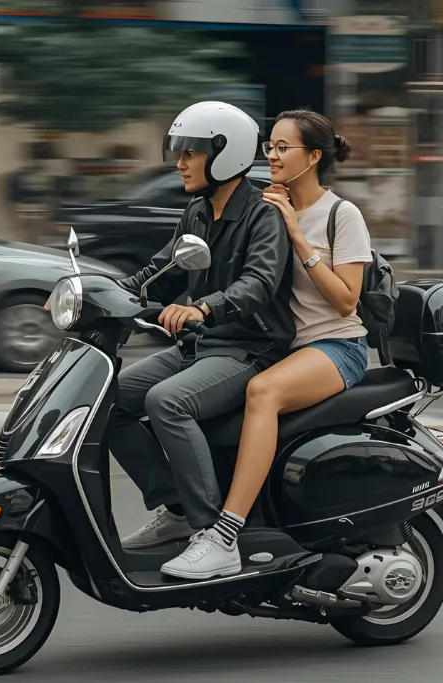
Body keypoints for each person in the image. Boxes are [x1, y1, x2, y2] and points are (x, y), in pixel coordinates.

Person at [159, 108, 372, 580]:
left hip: (336, 346)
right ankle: (187, 513)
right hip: (289, 346)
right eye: (268, 147)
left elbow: (346, 301)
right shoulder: (266, 206)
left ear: (314, 156)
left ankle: (223, 534)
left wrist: (299, 236)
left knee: (262, 393)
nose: (271, 156)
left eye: (283, 148)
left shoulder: (341, 214)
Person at [108, 102, 297, 573]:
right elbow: (160, 271)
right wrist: (103, 294)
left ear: (225, 155)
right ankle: (174, 507)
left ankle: (215, 534)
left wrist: (203, 308)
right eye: (180, 151)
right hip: (199, 347)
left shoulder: (262, 216)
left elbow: (258, 283)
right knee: (108, 399)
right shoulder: (196, 212)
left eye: (191, 152)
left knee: (167, 402)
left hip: (250, 349)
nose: (181, 162)